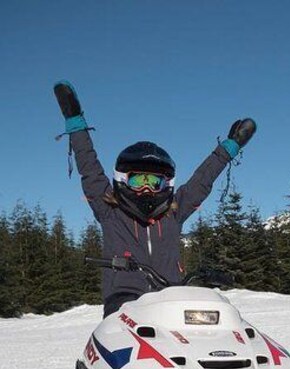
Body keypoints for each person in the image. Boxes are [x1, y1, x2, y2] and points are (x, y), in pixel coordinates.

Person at [53, 81, 256, 317]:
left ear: (166, 183)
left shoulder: (174, 212)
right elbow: (89, 168)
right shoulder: (110, 211)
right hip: (123, 306)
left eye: (155, 181)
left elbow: (202, 180)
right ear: (123, 180)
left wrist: (229, 148)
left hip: (171, 303)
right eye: (139, 181)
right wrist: (76, 124)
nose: (147, 188)